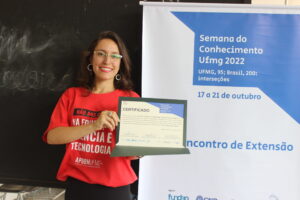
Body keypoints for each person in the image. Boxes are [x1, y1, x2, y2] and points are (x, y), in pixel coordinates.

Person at [42, 31, 140, 200]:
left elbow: (133, 153)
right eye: (101, 54)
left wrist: (140, 148)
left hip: (115, 190)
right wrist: (94, 125)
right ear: (91, 59)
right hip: (78, 187)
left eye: (114, 56)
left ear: (121, 62)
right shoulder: (71, 95)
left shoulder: (131, 99)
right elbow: (52, 137)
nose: (107, 61)